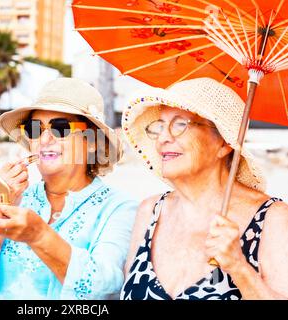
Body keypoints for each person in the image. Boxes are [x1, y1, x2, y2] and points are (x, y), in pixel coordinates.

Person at [0, 78, 138, 299]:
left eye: (60, 128)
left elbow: (104, 289)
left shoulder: (120, 208)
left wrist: (39, 235)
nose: (45, 139)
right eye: (35, 128)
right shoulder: (16, 199)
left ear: (92, 140)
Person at [120, 77, 288, 300]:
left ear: (223, 144)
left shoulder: (271, 218)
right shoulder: (150, 211)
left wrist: (239, 267)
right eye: (159, 126)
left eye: (180, 125)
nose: (162, 138)